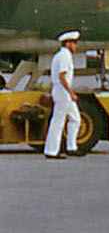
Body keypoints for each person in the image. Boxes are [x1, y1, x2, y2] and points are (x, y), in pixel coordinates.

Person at [43, 30, 82, 160]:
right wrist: (71, 93)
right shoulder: (64, 56)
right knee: (58, 121)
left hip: (63, 91)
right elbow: (62, 76)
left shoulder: (62, 55)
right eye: (74, 43)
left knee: (75, 118)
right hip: (62, 92)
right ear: (68, 43)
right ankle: (51, 150)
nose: (76, 46)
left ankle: (72, 147)